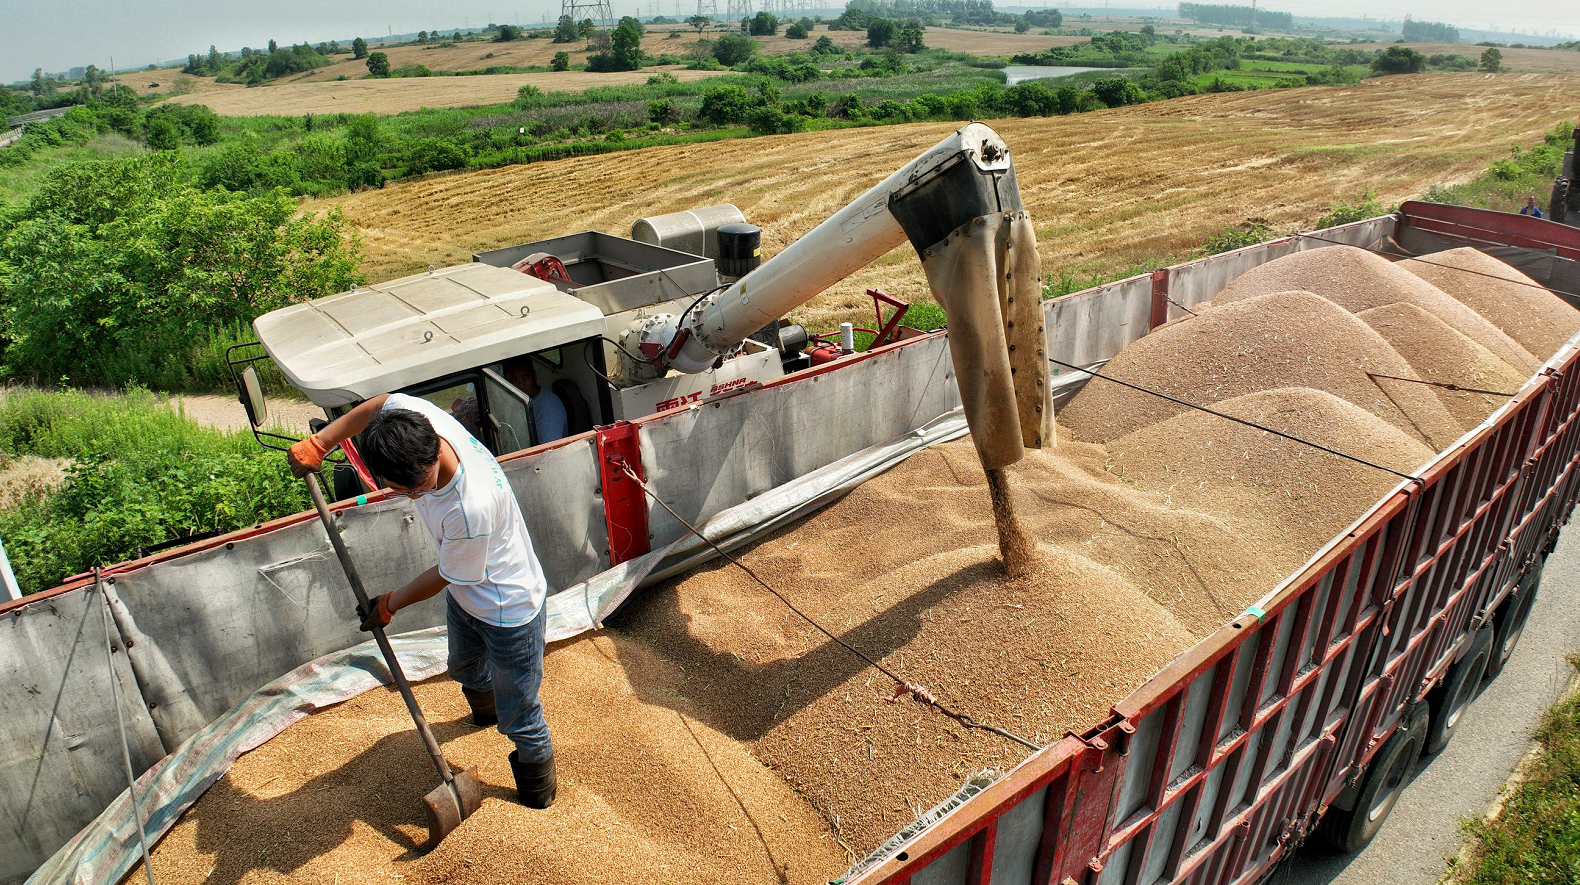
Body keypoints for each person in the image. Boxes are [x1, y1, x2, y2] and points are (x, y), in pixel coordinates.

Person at [288, 393, 558, 808]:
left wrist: (390, 603)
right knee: (464, 667)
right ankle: (485, 714)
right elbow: (378, 404)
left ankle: (539, 793)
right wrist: (322, 442)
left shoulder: (470, 507)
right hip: (469, 596)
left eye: (413, 490)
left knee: (519, 714)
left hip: (509, 610)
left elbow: (446, 575)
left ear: (429, 461)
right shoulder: (423, 420)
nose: (410, 497)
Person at [503, 357, 569, 443]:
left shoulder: (548, 408)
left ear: (534, 376)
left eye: (525, 378)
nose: (521, 385)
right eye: (514, 380)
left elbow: (548, 451)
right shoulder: (516, 401)